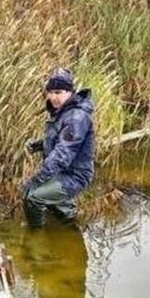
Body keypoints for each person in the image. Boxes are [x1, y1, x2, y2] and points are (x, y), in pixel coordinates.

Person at [22, 68, 95, 228]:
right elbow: (59, 140)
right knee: (62, 213)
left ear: (70, 92)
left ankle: (35, 236)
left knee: (33, 197)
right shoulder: (63, 112)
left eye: (58, 92)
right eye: (50, 92)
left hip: (74, 175)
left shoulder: (76, 117)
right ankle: (70, 223)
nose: (53, 97)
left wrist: (37, 180)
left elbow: (62, 154)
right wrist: (40, 145)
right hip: (64, 170)